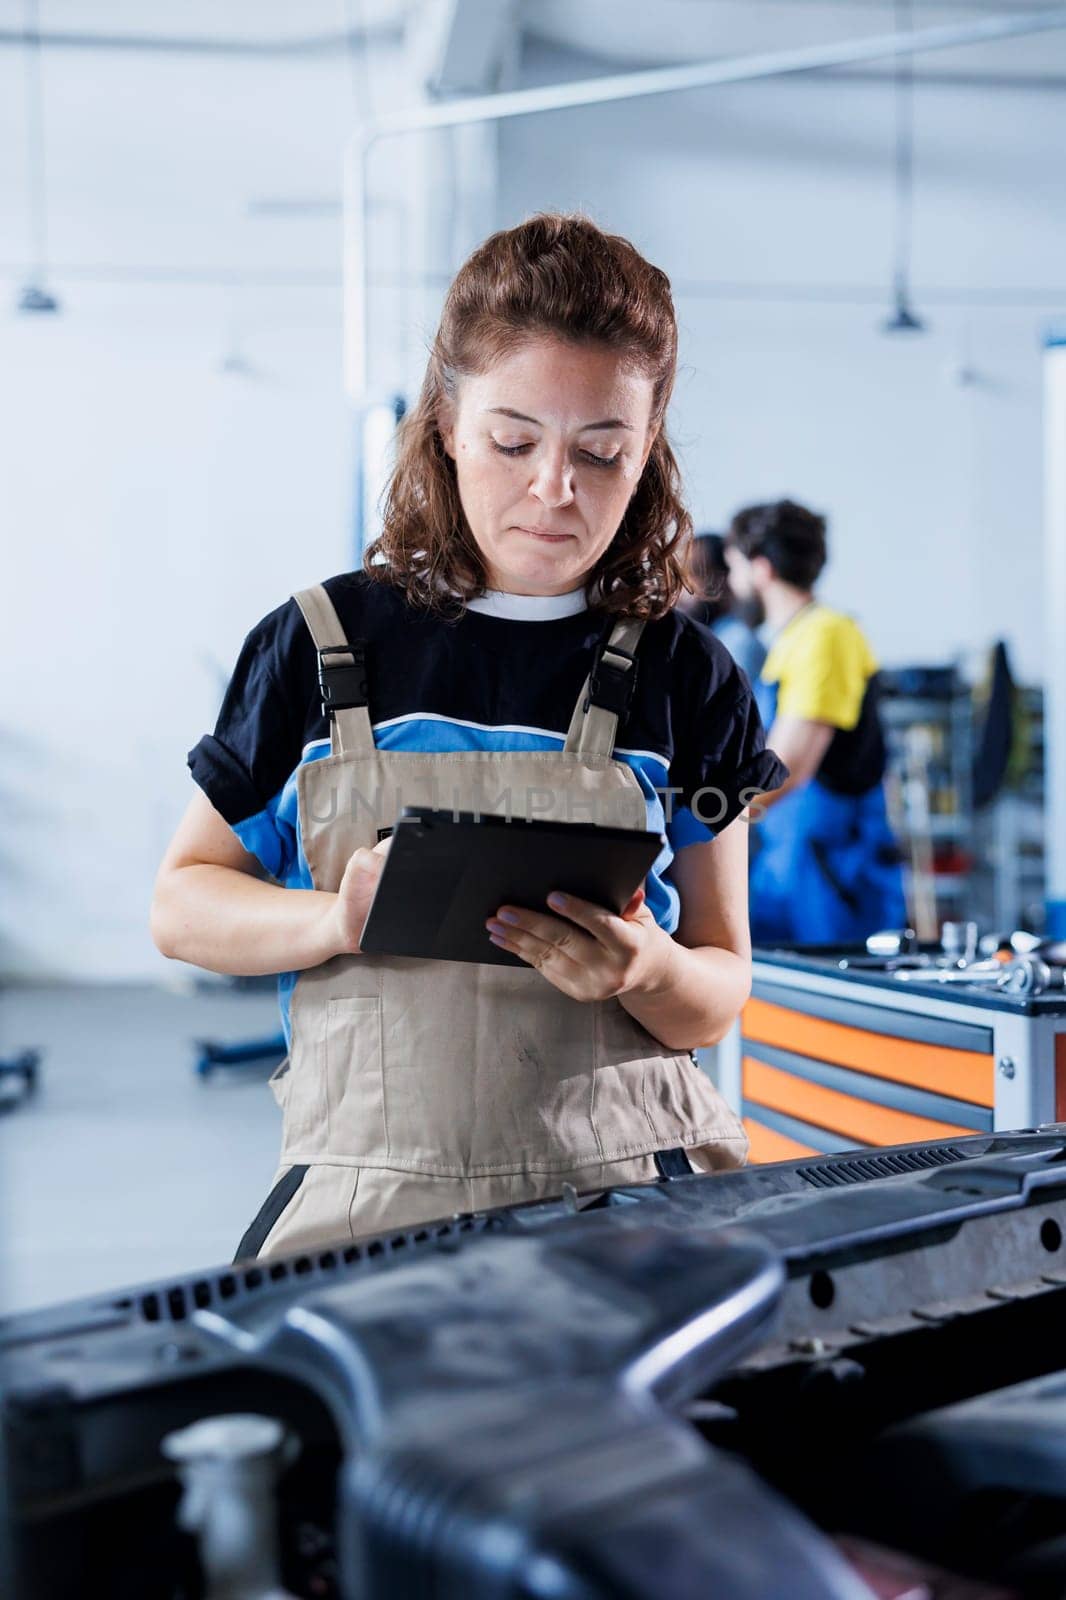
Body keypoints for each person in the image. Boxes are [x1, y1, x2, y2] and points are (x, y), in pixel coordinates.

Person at [151, 214, 788, 1260]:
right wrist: (334, 920)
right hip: (368, 1209)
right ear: (446, 422)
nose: (555, 488)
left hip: (629, 1207)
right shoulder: (319, 645)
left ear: (648, 446)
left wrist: (645, 969)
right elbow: (181, 905)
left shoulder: (688, 676)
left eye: (602, 450)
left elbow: (718, 987)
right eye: (512, 440)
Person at [724, 498, 906, 946]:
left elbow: (789, 766)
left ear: (761, 569)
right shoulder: (792, 640)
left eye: (734, 568)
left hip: (831, 873)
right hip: (792, 861)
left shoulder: (825, 636)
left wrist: (700, 822)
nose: (730, 582)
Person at [677, 531, 767, 684]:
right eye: (679, 575)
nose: (682, 588)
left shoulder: (738, 643)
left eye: (694, 572)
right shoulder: (693, 641)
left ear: (724, 580)